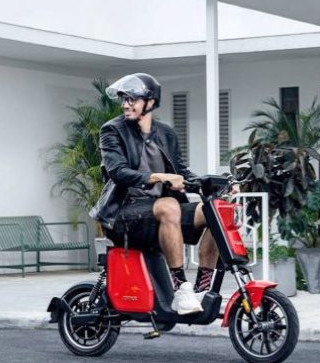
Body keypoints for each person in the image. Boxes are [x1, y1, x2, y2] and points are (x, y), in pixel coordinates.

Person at [90, 73, 224, 315]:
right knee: (169, 204)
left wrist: (218, 184)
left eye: (132, 99)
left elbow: (181, 171)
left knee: (215, 211)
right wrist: (160, 177)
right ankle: (180, 288)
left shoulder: (166, 133)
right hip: (124, 212)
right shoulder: (112, 130)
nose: (125, 105)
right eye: (123, 99)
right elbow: (118, 172)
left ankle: (202, 288)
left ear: (150, 102)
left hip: (161, 213)